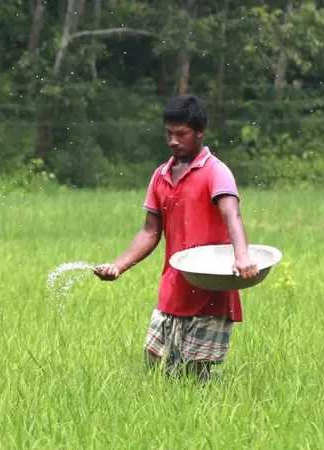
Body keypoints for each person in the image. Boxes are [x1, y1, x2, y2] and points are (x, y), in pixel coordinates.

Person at [94, 94, 258, 382]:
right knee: (156, 364)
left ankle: (209, 418)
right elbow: (150, 231)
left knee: (196, 371)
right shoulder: (161, 175)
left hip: (210, 287)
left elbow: (232, 215)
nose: (173, 141)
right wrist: (118, 266)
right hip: (173, 286)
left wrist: (242, 257)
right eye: (168, 133)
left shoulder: (215, 172)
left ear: (199, 132)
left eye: (181, 134)